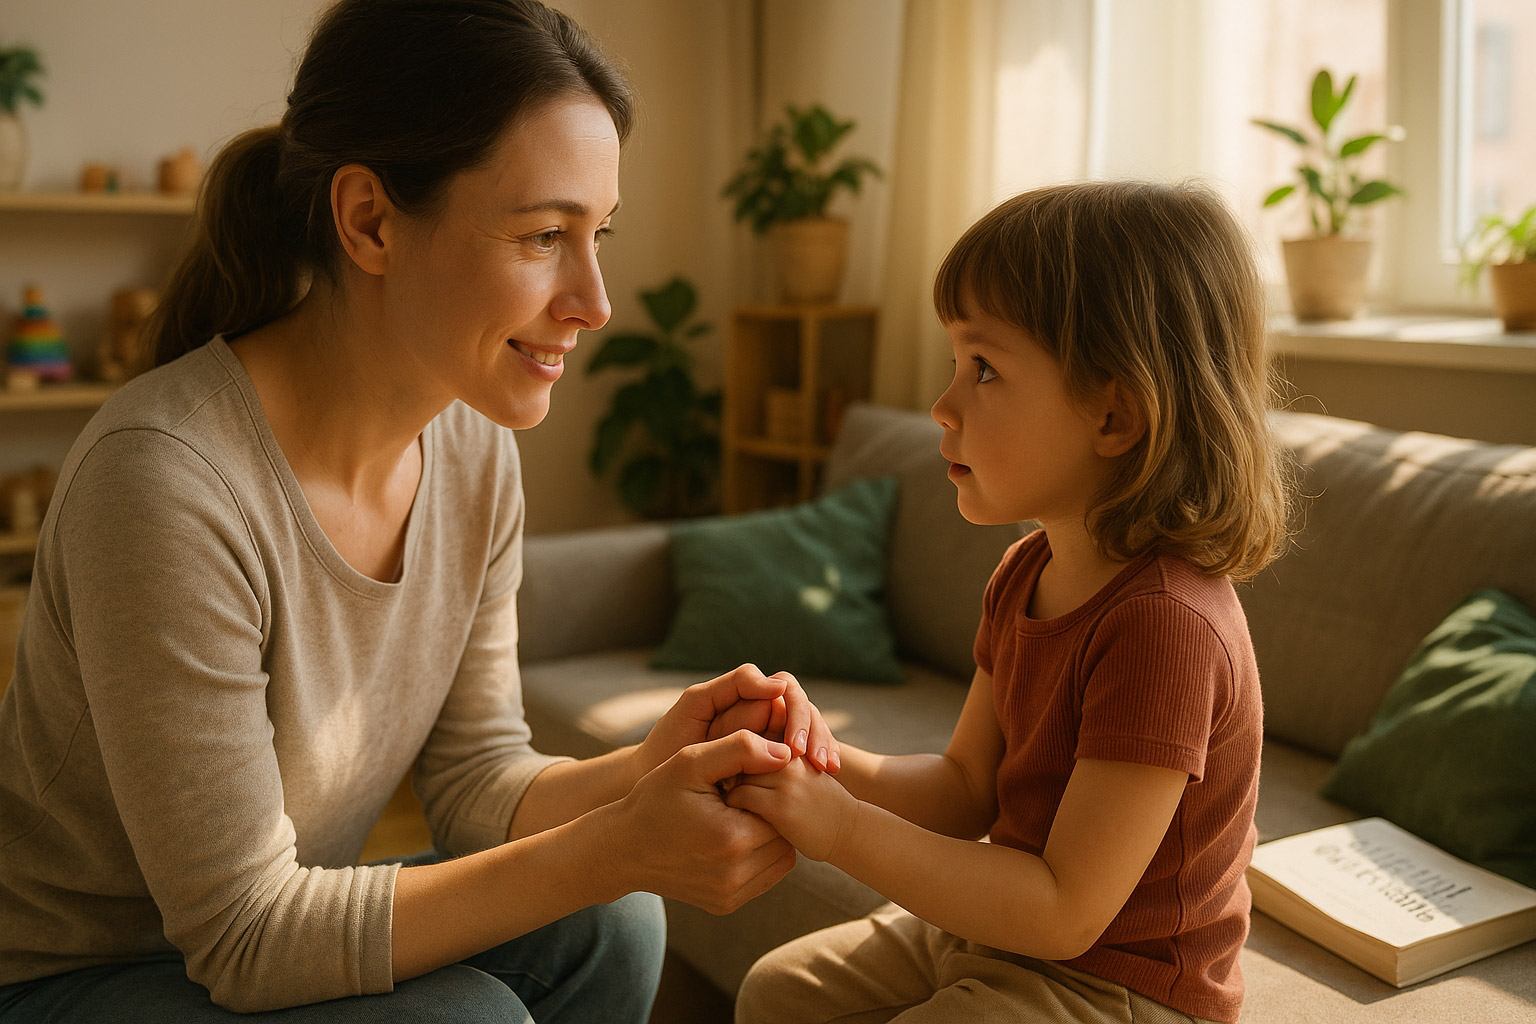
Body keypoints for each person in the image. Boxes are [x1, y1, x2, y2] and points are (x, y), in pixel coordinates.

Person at [0, 1, 839, 1020]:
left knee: (619, 917)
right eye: (544, 234)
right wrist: (612, 839)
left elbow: (477, 777)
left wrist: (652, 768)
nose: (596, 300)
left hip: (254, 933)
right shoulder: (167, 482)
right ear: (371, 220)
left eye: (597, 234)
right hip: (75, 973)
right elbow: (247, 933)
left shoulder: (475, 447)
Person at [726, 180, 1293, 1024]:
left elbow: (1065, 907)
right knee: (778, 993)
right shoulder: (1026, 571)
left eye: (983, 368)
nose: (942, 405)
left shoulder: (1165, 627)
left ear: (1115, 414)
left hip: (1120, 985)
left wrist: (840, 830)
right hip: (1005, 935)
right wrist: (820, 759)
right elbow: (964, 788)